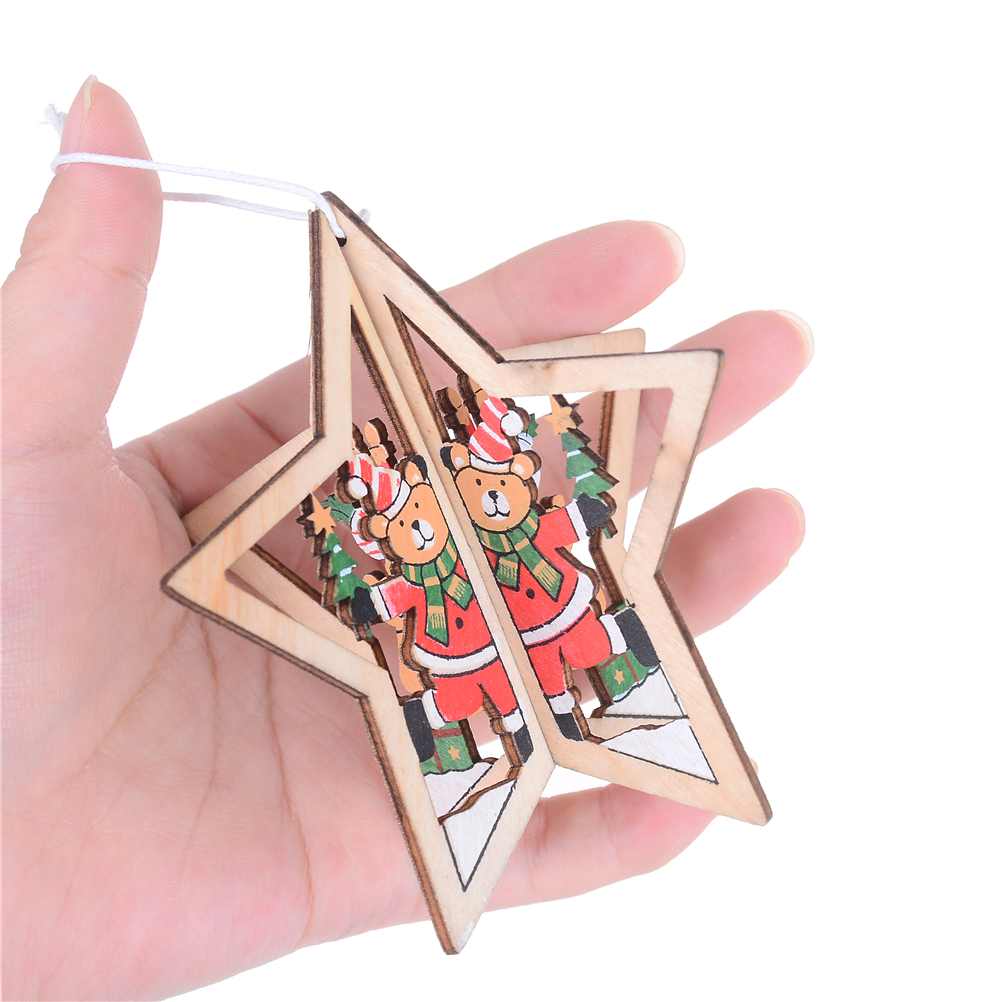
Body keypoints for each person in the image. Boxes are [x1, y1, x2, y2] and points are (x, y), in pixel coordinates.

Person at [1, 77, 811, 1000]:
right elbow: (378, 599)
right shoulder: (405, 570)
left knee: (580, 649)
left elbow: (565, 518)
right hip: (457, 650)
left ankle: (591, 702)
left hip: (550, 613)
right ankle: (497, 742)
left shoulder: (524, 520)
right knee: (477, 693)